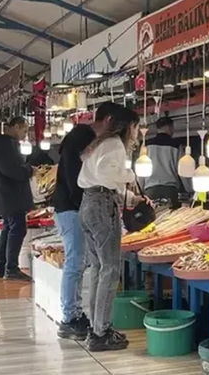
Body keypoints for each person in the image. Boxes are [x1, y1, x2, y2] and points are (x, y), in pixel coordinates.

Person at [78, 107, 148, 352]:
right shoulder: (115, 145)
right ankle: (101, 332)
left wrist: (129, 197)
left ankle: (96, 327)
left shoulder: (99, 143)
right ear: (126, 126)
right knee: (110, 269)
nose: (137, 132)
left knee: (98, 268)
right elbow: (106, 177)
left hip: (88, 204)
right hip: (101, 206)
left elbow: (99, 180)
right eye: (136, 127)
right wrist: (128, 174)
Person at [53, 103, 119, 340]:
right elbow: (76, 177)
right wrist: (86, 204)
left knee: (80, 264)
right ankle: (69, 318)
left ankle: (74, 315)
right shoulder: (83, 136)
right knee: (75, 263)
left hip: (71, 206)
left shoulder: (81, 136)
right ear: (109, 119)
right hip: (71, 208)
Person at [0, 117, 34, 281]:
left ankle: (1, 267)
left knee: (8, 229)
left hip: (6, 195)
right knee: (17, 229)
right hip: (12, 196)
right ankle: (11, 268)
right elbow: (11, 170)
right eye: (24, 130)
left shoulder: (2, 145)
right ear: (15, 127)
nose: (25, 135)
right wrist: (28, 171)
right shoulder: (6, 146)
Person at [138, 116, 191, 209]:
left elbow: (140, 171)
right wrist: (189, 189)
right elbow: (182, 171)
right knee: (171, 221)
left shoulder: (146, 146)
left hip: (150, 191)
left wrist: (140, 190)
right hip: (170, 191)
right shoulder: (177, 146)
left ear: (157, 128)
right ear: (170, 127)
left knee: (152, 220)